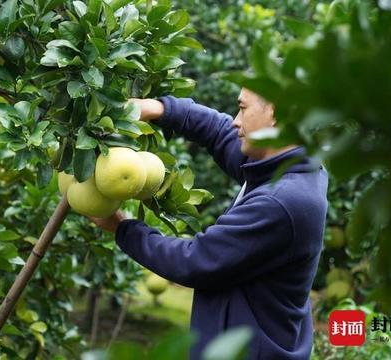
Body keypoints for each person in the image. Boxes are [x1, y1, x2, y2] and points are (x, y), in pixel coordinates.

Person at [89, 88, 328, 359]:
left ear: (275, 113)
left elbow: (194, 261)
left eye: (243, 108)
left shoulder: (282, 202)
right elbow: (220, 132)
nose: (236, 120)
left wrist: (122, 228)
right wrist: (161, 109)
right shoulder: (286, 168)